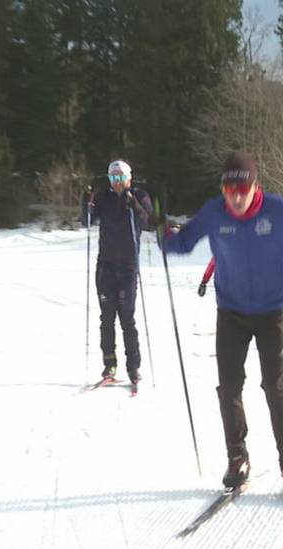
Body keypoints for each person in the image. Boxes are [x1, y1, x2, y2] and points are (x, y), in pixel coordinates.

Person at [158, 151, 283, 494]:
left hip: (273, 312)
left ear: (255, 186)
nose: (237, 196)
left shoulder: (278, 209)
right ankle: (237, 458)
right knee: (228, 388)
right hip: (231, 313)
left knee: (275, 386)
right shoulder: (214, 212)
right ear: (223, 189)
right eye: (230, 189)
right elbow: (181, 242)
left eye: (243, 188)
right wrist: (160, 232)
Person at [84, 160, 154, 394]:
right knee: (106, 318)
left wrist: (134, 205)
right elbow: (86, 221)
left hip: (127, 268)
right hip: (105, 266)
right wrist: (86, 204)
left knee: (127, 319)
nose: (116, 183)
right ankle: (109, 366)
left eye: (120, 178)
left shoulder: (139, 195)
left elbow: (149, 222)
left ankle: (133, 368)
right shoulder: (103, 196)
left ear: (128, 178)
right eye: (113, 178)